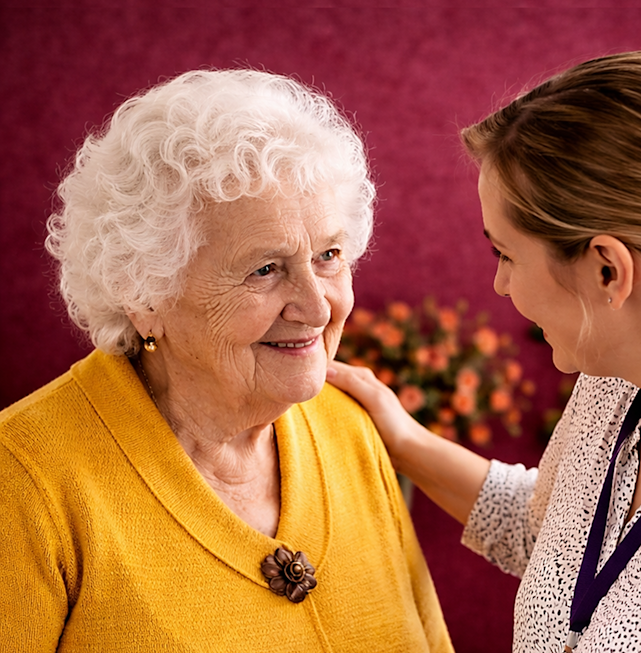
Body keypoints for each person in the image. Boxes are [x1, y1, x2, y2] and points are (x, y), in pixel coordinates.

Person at [327, 50, 641, 651]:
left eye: (505, 254)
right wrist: (402, 440)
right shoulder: (619, 372)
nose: (500, 283)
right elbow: (555, 543)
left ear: (608, 270)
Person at [0, 69, 453, 652]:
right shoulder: (23, 480)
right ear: (144, 294)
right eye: (265, 269)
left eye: (328, 256)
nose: (318, 307)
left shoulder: (351, 431)